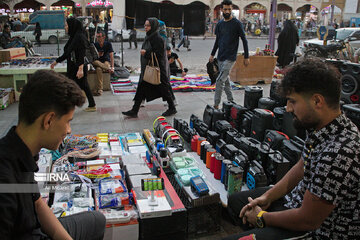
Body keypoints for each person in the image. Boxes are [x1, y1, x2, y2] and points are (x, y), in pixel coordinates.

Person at [225, 58, 360, 240]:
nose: (287, 108)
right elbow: (301, 166)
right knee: (236, 202)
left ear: (317, 101)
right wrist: (268, 196)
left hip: (316, 231)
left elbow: (308, 221)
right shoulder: (324, 127)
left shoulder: (339, 153)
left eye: (292, 101)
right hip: (296, 203)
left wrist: (261, 217)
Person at [0, 70, 106, 239]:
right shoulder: (5, 180)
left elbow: (37, 204)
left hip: (38, 228)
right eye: (68, 122)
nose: (69, 130)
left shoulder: (20, 151)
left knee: (97, 220)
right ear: (48, 120)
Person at [122, 17, 177, 118]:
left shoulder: (157, 39)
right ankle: (134, 110)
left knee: (164, 88)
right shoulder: (149, 36)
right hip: (148, 69)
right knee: (141, 89)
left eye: (148, 25)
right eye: (145, 25)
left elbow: (159, 55)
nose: (145, 27)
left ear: (153, 26)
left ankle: (172, 107)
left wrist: (146, 53)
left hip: (157, 70)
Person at [209, 0, 249, 109]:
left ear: (231, 10)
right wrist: (212, 54)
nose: (227, 11)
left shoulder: (237, 24)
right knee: (225, 82)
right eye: (225, 9)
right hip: (220, 57)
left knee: (219, 80)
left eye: (229, 9)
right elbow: (218, 41)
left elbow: (244, 40)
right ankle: (231, 102)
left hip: (230, 58)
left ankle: (216, 105)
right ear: (221, 9)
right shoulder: (220, 24)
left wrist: (246, 56)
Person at [51, 17, 96, 112]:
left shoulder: (79, 37)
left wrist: (80, 69)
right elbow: (68, 52)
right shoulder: (74, 37)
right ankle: (91, 104)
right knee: (82, 86)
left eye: (66, 25)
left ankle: (68, 106)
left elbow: (81, 53)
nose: (65, 27)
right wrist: (57, 61)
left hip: (77, 67)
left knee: (72, 86)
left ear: (72, 26)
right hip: (73, 67)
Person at [92, 30, 114, 96]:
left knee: (100, 68)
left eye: (99, 37)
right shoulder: (95, 45)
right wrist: (98, 55)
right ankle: (108, 68)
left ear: (103, 37)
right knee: (97, 65)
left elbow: (111, 56)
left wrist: (112, 66)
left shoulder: (108, 44)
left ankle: (100, 89)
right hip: (98, 61)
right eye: (97, 37)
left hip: (106, 61)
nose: (98, 38)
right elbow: (92, 56)